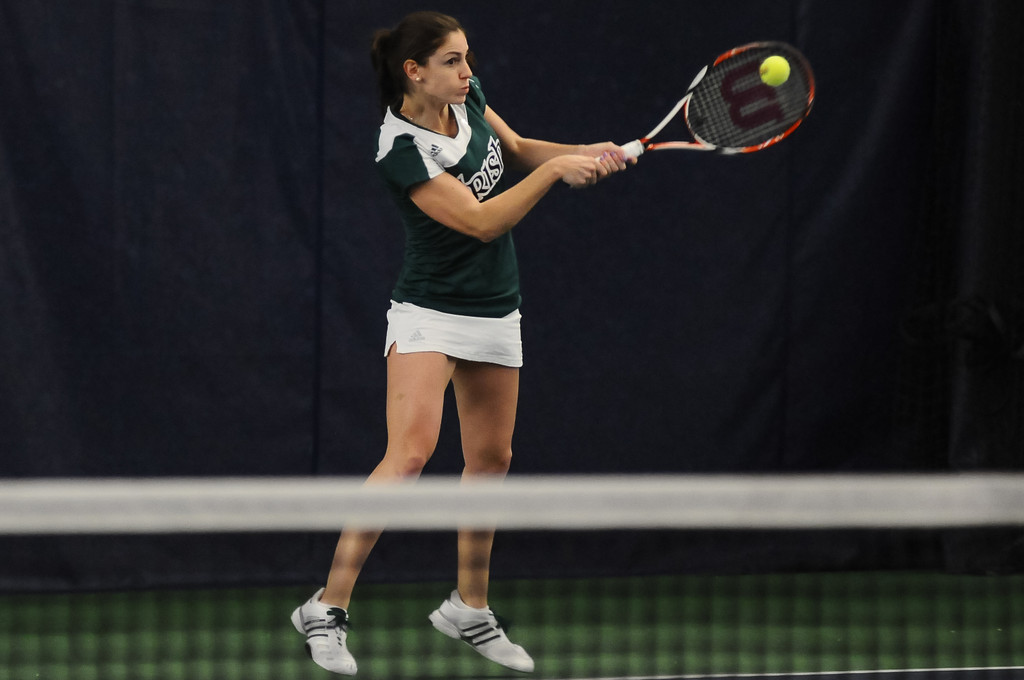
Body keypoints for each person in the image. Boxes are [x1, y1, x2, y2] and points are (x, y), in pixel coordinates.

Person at [291, 10, 630, 676]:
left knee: (491, 459)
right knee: (410, 453)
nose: (468, 72)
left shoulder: (466, 97)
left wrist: (579, 154)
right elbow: (479, 221)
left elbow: (520, 146)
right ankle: (325, 609)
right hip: (429, 312)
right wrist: (555, 176)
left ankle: (468, 608)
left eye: (467, 58)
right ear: (413, 71)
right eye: (452, 61)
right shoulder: (400, 150)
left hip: (497, 307)